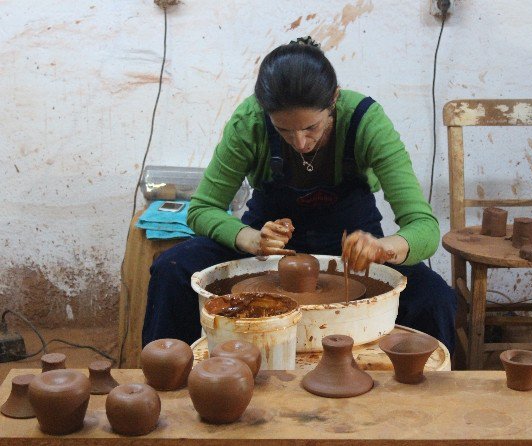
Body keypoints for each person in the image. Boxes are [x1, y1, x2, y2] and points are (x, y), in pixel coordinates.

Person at [142, 37, 457, 355]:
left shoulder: (366, 122)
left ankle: (432, 400)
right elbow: (202, 209)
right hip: (268, 252)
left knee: (434, 297)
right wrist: (251, 239)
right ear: (266, 112)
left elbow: (424, 227)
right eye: (283, 130)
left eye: (311, 128)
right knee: (173, 268)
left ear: (333, 99)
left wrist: (382, 249)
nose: (300, 142)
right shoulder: (250, 122)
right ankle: (168, 383)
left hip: (348, 256)